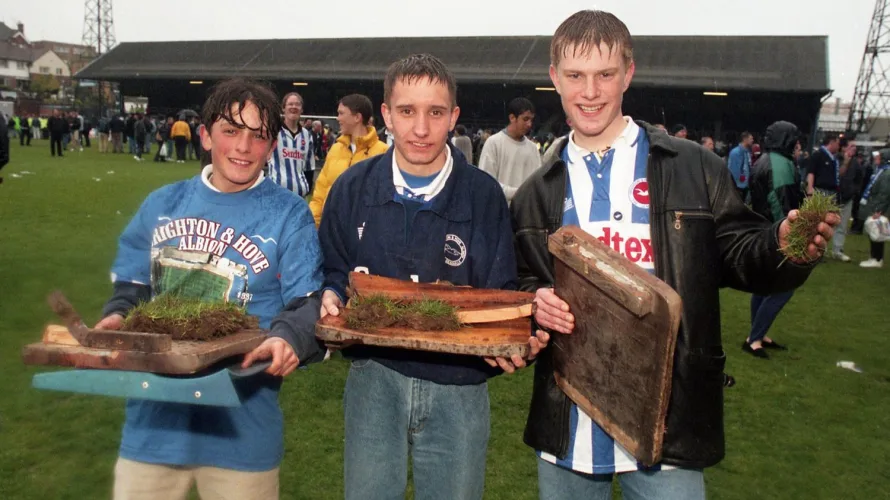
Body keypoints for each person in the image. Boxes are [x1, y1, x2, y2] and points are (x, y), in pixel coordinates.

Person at [509, 10, 839, 499]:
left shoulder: (692, 167)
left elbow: (742, 252)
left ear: (628, 73)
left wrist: (784, 243)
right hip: (570, 418)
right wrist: (534, 300)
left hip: (670, 417)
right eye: (575, 76)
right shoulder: (535, 193)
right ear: (555, 79)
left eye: (605, 74)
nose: (591, 91)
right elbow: (519, 282)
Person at [318, 53, 548, 500]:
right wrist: (329, 293)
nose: (421, 128)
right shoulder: (352, 188)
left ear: (453, 117)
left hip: (459, 388)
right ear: (386, 114)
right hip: (373, 377)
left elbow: (501, 293)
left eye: (435, 112)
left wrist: (521, 337)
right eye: (407, 111)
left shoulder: (483, 195)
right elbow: (332, 268)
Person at [93, 78, 324, 500]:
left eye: (258, 136)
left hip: (243, 429)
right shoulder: (163, 204)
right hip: (153, 426)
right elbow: (131, 287)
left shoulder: (289, 214)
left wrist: (289, 337)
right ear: (205, 135)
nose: (243, 147)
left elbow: (306, 302)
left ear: (272, 146)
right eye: (231, 131)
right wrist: (117, 315)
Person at [746, 121, 803, 358]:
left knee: (763, 285)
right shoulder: (781, 164)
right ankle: (754, 338)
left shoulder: (763, 159)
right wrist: (792, 235)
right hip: (776, 233)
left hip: (761, 230)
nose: (798, 145)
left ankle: (758, 333)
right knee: (784, 287)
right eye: (796, 140)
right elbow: (781, 201)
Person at [309, 93, 388, 226]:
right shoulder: (335, 149)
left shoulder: (383, 152)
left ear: (357, 117)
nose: (337, 118)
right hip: (331, 231)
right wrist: (311, 226)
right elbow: (320, 194)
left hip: (364, 234)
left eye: (341, 113)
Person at [478, 97, 542, 203]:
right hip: (499, 213)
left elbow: (538, 184)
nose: (529, 124)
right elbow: (486, 182)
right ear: (512, 118)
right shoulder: (493, 143)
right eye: (525, 119)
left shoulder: (533, 148)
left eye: (531, 120)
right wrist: (518, 193)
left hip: (526, 215)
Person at [267, 92, 315, 196]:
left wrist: (307, 189)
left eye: (297, 104)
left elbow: (309, 168)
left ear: (302, 109)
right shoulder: (273, 131)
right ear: (283, 108)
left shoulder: (307, 135)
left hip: (299, 196)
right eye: (290, 104)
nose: (294, 107)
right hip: (276, 193)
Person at [831, 137, 864, 262]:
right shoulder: (836, 158)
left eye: (855, 146)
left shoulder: (856, 163)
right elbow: (836, 175)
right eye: (851, 146)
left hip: (848, 197)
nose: (854, 148)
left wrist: (854, 191)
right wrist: (845, 161)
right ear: (844, 147)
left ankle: (837, 250)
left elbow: (859, 179)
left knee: (842, 225)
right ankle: (818, 249)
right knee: (825, 223)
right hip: (833, 196)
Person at [859, 148, 890, 268]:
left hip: (879, 208)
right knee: (875, 231)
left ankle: (877, 258)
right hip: (876, 205)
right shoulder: (881, 171)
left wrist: (879, 210)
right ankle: (875, 257)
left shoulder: (886, 173)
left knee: (877, 232)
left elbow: (884, 193)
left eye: (879, 157)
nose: (876, 159)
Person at [806, 133, 840, 199]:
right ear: (832, 142)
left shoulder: (833, 158)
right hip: (820, 191)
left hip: (832, 192)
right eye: (837, 143)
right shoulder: (818, 154)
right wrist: (810, 190)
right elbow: (811, 173)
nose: (839, 146)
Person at [727, 131, 754, 201]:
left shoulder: (747, 152)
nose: (752, 140)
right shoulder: (735, 152)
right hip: (738, 187)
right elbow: (733, 171)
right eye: (751, 139)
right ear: (745, 139)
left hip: (746, 185)